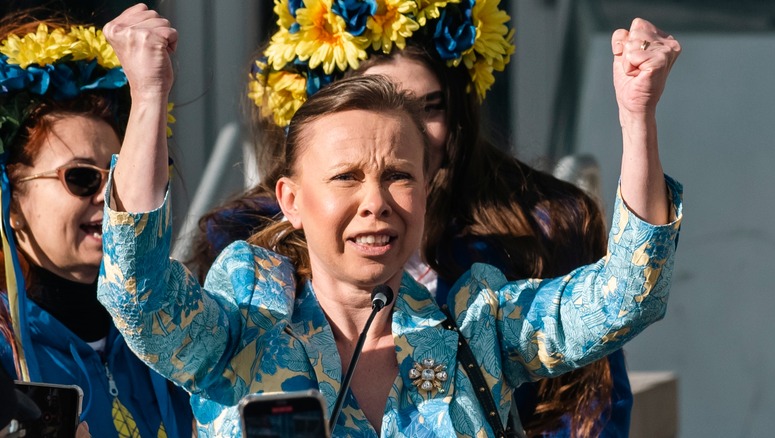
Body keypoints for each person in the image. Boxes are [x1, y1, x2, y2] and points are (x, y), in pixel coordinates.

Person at [98, 5, 682, 436]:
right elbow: (136, 290)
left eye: (399, 176)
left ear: (426, 190)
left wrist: (638, 116)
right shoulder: (238, 331)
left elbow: (631, 291)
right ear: (291, 200)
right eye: (346, 177)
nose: (375, 201)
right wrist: (149, 97)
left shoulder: (480, 327)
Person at [0, 10, 193, 437]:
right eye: (81, 177)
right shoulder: (3, 352)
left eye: (121, 177)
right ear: (11, 202)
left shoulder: (180, 334)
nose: (108, 197)